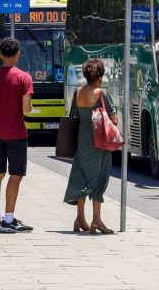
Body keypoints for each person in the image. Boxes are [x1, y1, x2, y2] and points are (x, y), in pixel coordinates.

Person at [0, 37, 34, 233]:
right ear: (18, 54)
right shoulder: (24, 78)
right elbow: (26, 108)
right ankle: (9, 218)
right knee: (16, 174)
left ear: (1, 55)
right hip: (17, 133)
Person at [63, 59, 118, 235]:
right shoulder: (102, 94)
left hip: (82, 140)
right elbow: (113, 119)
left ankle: (80, 218)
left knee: (81, 176)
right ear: (100, 76)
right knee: (99, 178)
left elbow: (74, 116)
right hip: (99, 142)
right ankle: (96, 221)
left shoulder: (78, 92)